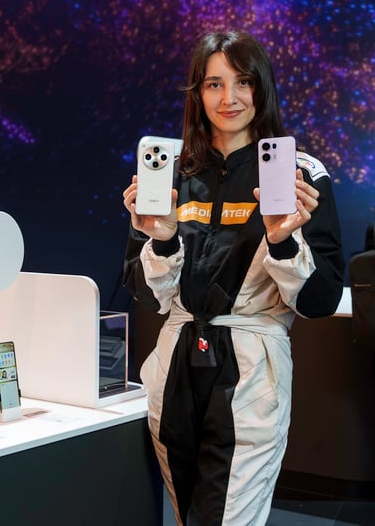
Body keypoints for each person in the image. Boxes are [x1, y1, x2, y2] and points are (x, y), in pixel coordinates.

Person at [122, 31, 344, 525]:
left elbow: (320, 300)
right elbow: (147, 297)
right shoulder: (170, 173)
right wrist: (162, 239)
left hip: (251, 372)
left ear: (262, 87)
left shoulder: (302, 176)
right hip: (174, 367)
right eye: (214, 84)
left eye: (243, 82)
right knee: (187, 515)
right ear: (197, 93)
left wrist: (283, 241)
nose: (229, 98)